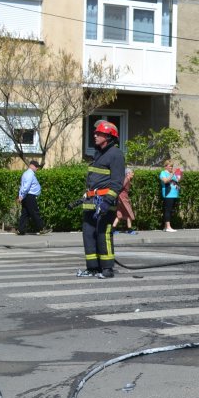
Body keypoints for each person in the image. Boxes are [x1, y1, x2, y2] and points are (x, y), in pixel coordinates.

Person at [77, 120, 125, 279]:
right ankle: (92, 268)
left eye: (99, 133)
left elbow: (117, 183)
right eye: (95, 133)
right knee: (88, 235)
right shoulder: (98, 154)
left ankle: (107, 269)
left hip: (104, 203)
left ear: (109, 137)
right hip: (90, 203)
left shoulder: (116, 155)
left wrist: (106, 202)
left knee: (103, 234)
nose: (95, 135)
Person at [16, 160, 45, 235]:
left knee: (25, 214)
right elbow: (26, 187)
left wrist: (20, 195)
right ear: (31, 166)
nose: (37, 168)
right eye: (36, 166)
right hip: (30, 196)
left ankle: (20, 230)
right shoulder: (30, 174)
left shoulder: (25, 173)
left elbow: (22, 186)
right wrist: (21, 196)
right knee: (35, 212)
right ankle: (41, 229)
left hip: (26, 196)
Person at [159, 159, 181, 232]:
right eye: (170, 166)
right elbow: (165, 181)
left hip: (174, 194)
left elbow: (177, 180)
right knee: (168, 210)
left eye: (172, 166)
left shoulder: (173, 173)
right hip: (168, 194)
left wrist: (180, 174)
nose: (171, 167)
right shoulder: (163, 173)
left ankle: (166, 227)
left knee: (170, 210)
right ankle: (168, 227)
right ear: (165, 166)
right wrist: (172, 174)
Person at [112, 168, 136, 234]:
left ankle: (113, 229)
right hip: (123, 198)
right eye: (132, 172)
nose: (133, 174)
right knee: (129, 213)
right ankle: (129, 230)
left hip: (120, 198)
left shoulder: (126, 179)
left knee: (119, 214)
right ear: (128, 173)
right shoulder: (126, 179)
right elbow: (120, 187)